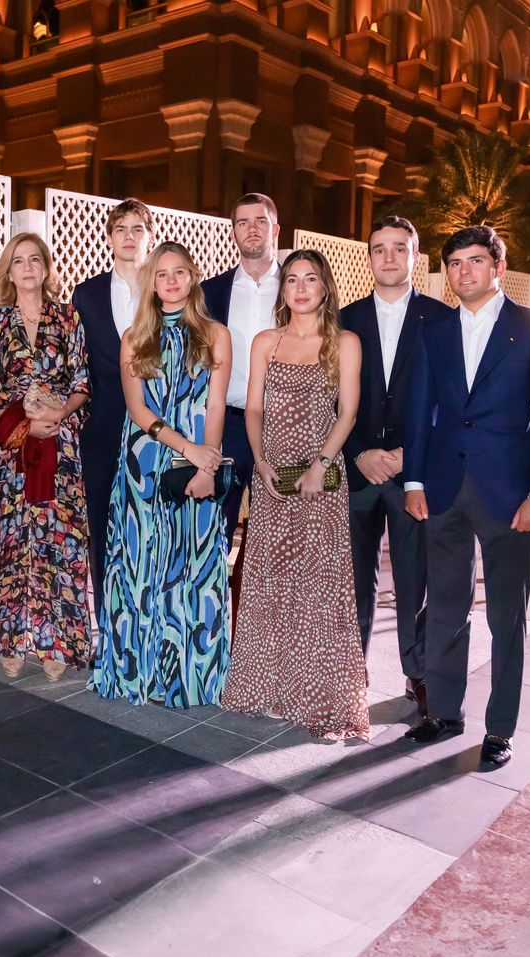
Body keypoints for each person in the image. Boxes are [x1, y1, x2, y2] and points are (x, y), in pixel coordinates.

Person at [404, 225, 530, 768]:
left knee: (506, 616)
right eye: (455, 263)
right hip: (442, 489)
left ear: (496, 266)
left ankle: (500, 728)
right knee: (444, 606)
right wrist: (414, 480)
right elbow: (419, 411)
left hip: (509, 493)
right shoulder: (434, 332)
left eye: (475, 261)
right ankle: (443, 712)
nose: (464, 271)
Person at [222, 249, 369, 739]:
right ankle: (269, 686)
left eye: (310, 279)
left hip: (321, 475)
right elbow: (254, 410)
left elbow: (347, 412)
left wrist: (321, 464)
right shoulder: (266, 341)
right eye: (291, 280)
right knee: (269, 579)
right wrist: (261, 461)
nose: (301, 288)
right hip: (272, 476)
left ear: (325, 287)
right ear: (282, 290)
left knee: (320, 585)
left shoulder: (344, 342)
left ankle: (321, 697)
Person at [91, 242, 231, 706]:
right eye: (161, 274)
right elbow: (138, 408)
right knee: (141, 570)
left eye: (180, 272)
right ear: (150, 281)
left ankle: (188, 676)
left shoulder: (215, 334)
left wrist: (205, 461)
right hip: (144, 466)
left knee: (191, 568)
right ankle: (138, 673)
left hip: (197, 463)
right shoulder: (134, 337)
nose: (170, 281)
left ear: (193, 277)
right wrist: (186, 447)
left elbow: (214, 404)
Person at [0, 232, 91, 682]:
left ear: (46, 267)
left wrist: (59, 412)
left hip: (60, 443)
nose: (28, 267)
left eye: (36, 259)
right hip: (11, 447)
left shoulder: (68, 318)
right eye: (19, 261)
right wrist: (25, 425)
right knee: (10, 540)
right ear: (9, 271)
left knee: (58, 540)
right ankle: (10, 639)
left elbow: (82, 381)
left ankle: (56, 643)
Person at [340, 216, 450, 717]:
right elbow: (328, 397)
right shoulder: (344, 319)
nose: (388, 257)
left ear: (414, 257)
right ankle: (351, 673)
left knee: (414, 578)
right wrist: (358, 451)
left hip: (413, 473)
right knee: (355, 579)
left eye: (399, 248)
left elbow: (450, 400)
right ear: (368, 258)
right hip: (358, 469)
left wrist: (412, 454)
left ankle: (418, 672)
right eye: (379, 248)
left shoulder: (440, 318)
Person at [72, 199, 155, 628]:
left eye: (137, 228)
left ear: (149, 238)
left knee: (151, 528)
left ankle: (148, 624)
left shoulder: (165, 292)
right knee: (102, 529)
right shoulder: (85, 294)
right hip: (101, 430)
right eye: (120, 228)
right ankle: (109, 624)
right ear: (109, 238)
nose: (128, 236)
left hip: (157, 431)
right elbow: (77, 366)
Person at [201, 193, 282, 546]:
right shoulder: (210, 292)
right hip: (228, 426)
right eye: (242, 222)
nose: (252, 229)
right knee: (215, 531)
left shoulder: (299, 289)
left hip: (283, 426)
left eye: (260, 221)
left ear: (275, 229)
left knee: (276, 540)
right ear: (233, 231)